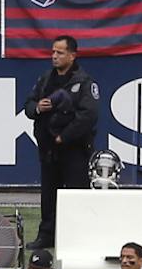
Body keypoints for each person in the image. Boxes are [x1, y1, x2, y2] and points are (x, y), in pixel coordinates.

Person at [19, 35, 98, 248]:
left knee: (75, 194)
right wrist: (37, 108)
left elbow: (88, 116)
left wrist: (65, 136)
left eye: (60, 52)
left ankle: (76, 237)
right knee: (48, 193)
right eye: (53, 52)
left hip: (75, 150)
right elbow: (28, 104)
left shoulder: (84, 82)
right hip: (48, 149)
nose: (54, 56)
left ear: (72, 56)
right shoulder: (45, 78)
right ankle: (47, 235)